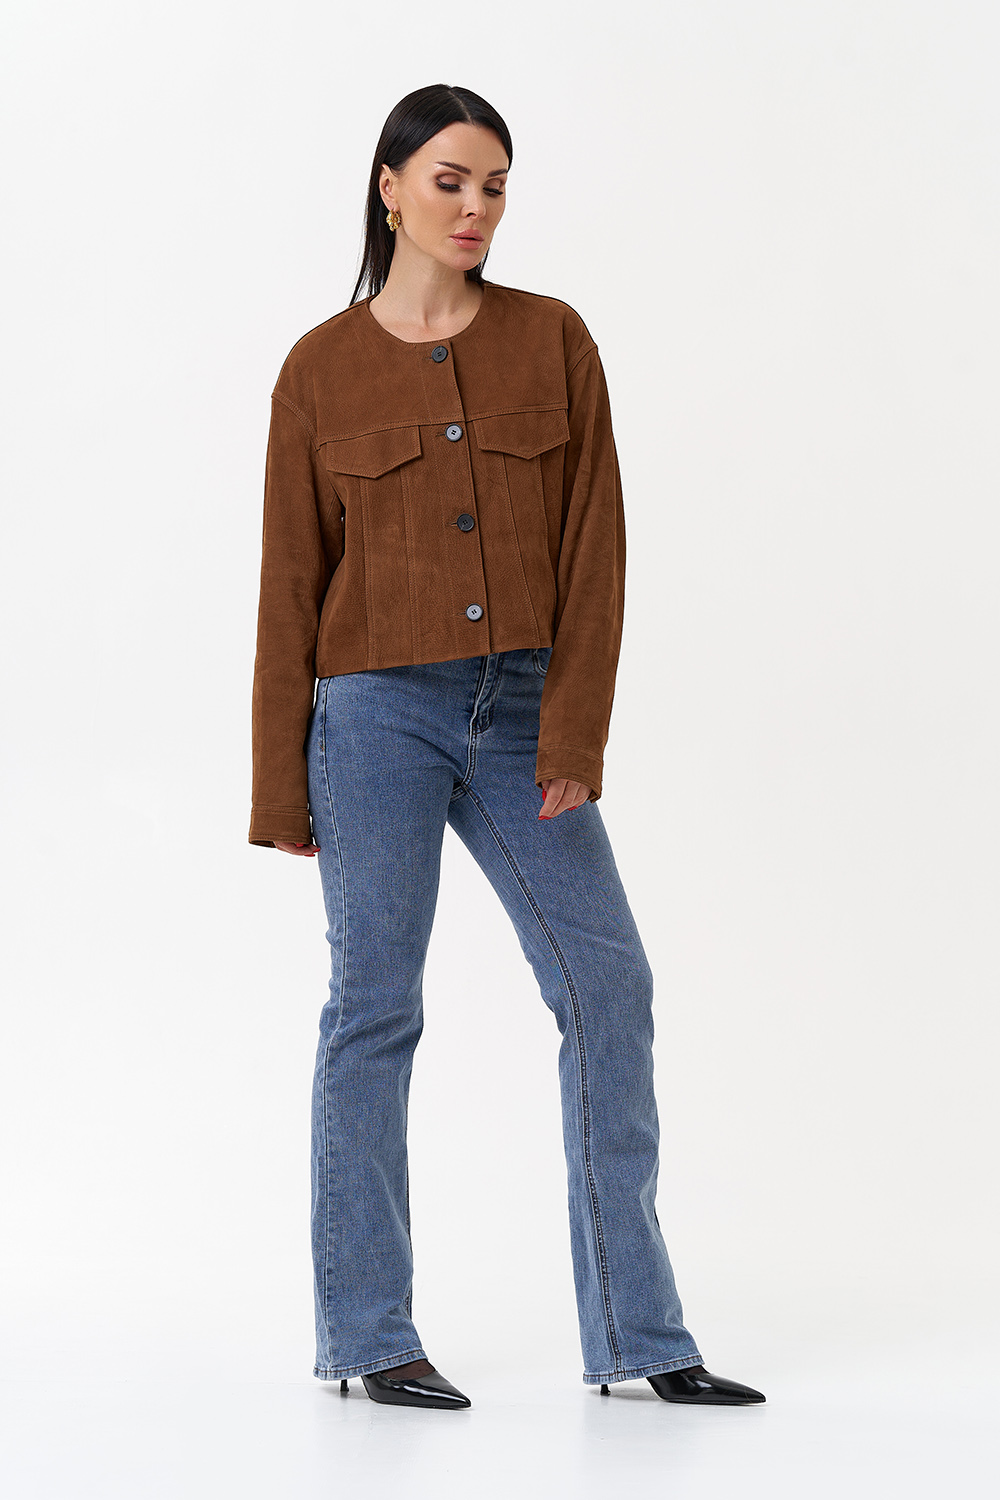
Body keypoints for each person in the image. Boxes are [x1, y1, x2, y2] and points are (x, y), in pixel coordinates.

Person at [249, 83, 765, 1413]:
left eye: (494, 187)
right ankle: (370, 1336)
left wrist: (575, 730)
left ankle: (640, 1335)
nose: (475, 208)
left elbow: (598, 546)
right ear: (390, 189)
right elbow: (290, 583)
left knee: (609, 988)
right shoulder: (318, 368)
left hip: (524, 712)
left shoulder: (554, 339)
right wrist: (279, 786)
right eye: (451, 181)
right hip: (371, 716)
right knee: (374, 1007)